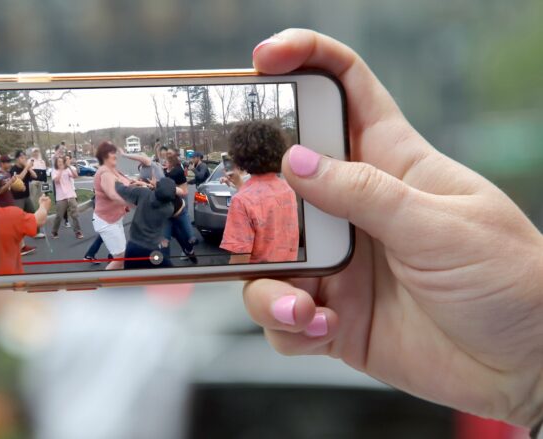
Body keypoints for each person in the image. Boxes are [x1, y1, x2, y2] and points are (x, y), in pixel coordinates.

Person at [243, 28, 543, 434]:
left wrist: (532, 375)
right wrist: (531, 377)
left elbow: (235, 248)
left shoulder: (246, 198)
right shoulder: (285, 194)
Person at [219, 121, 299, 264]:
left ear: (240, 154)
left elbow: (239, 262)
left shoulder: (241, 201)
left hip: (258, 282)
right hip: (288, 275)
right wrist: (239, 183)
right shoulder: (287, 189)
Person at [0, 178, 50, 276]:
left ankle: (23, 247)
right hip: (10, 282)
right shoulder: (10, 215)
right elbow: (39, 219)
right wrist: (43, 205)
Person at [114, 177, 183, 269]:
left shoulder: (143, 193)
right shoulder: (168, 209)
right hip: (152, 251)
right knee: (169, 274)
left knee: (130, 278)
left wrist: (116, 181)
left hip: (133, 248)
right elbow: (180, 203)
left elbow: (120, 189)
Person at [92, 141, 132, 270]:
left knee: (122, 257)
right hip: (106, 221)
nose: (115, 155)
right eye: (112, 153)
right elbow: (111, 194)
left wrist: (142, 185)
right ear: (104, 156)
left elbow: (128, 182)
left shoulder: (113, 170)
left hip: (115, 218)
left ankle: (116, 284)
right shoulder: (105, 172)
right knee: (120, 258)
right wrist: (131, 203)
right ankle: (101, 285)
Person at [163, 154, 197, 263]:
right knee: (166, 240)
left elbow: (200, 177)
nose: (164, 163)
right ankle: (164, 265)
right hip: (167, 214)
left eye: (166, 161)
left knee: (188, 235)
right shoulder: (165, 172)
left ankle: (189, 251)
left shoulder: (176, 172)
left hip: (182, 205)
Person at [10, 149, 38, 255]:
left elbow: (35, 176)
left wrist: (29, 168)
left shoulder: (25, 168)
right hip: (17, 198)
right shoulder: (14, 168)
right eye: (22, 157)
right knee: (18, 221)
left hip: (26, 196)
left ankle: (35, 232)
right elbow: (18, 179)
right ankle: (21, 246)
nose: (24, 159)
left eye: (25, 157)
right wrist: (26, 167)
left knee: (32, 214)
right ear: (17, 158)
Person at [52, 156, 83, 239]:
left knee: (75, 214)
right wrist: (61, 170)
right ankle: (54, 231)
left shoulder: (67, 169)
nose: (60, 163)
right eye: (59, 161)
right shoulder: (54, 171)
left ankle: (78, 232)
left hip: (71, 195)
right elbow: (56, 180)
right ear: (56, 163)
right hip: (61, 197)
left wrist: (69, 166)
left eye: (62, 161)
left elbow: (76, 176)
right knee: (59, 215)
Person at [28, 147, 48, 239]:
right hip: (33, 182)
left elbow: (44, 174)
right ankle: (32, 215)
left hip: (41, 182)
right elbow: (28, 172)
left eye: (37, 152)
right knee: (32, 199)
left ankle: (40, 215)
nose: (36, 153)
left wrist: (45, 184)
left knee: (41, 199)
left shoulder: (42, 161)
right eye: (34, 152)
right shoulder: (30, 161)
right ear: (32, 153)